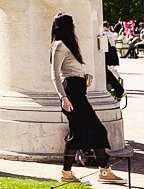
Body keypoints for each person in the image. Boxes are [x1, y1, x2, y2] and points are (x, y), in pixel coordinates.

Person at [50, 13, 124, 185]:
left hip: (77, 91)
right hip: (72, 94)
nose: (74, 27)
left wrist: (82, 77)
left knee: (85, 133)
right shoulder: (59, 45)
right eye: (72, 24)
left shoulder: (65, 45)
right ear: (67, 27)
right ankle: (91, 171)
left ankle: (98, 170)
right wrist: (63, 97)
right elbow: (54, 74)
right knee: (89, 132)